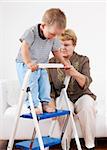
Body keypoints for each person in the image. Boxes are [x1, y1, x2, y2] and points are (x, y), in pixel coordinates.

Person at [48, 29, 96, 150]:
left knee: (87, 106)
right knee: (64, 107)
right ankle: (65, 146)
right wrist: (51, 105)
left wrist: (74, 72)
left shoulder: (83, 59)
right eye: (60, 44)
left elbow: (86, 82)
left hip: (82, 96)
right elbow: (50, 88)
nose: (63, 47)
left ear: (74, 45)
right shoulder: (52, 62)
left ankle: (90, 145)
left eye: (66, 45)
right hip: (63, 97)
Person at [16, 8, 70, 114]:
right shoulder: (31, 32)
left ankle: (45, 103)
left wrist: (64, 62)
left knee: (45, 83)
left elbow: (56, 51)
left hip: (41, 65)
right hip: (25, 63)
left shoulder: (53, 37)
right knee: (32, 83)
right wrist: (28, 62)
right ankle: (34, 105)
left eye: (56, 35)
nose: (53, 37)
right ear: (43, 26)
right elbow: (24, 47)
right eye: (52, 34)